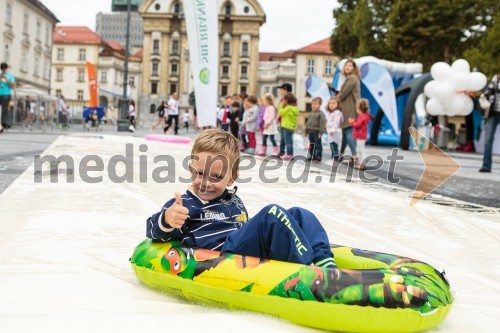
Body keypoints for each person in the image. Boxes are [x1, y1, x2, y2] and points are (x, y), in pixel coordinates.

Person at [146, 129, 337, 269]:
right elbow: (153, 230)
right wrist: (168, 219)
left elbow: (246, 231)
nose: (205, 183)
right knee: (271, 215)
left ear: (231, 178)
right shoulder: (184, 205)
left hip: (242, 248)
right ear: (190, 170)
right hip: (223, 257)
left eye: (216, 177)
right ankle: (309, 270)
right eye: (200, 173)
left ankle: (324, 260)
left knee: (298, 213)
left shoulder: (232, 201)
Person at [338, 59, 360, 163]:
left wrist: (334, 101)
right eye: (346, 65)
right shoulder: (351, 78)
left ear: (354, 68)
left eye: (350, 66)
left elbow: (343, 93)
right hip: (348, 107)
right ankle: (341, 154)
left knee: (348, 132)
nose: (347, 67)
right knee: (346, 132)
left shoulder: (352, 78)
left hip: (350, 108)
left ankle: (355, 156)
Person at [480, 74, 500, 172]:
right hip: (493, 113)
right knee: (488, 140)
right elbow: (488, 92)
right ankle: (486, 165)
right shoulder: (496, 78)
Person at [349, 99, 372, 170]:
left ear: (361, 109)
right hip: (362, 135)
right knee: (360, 149)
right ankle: (360, 163)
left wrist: (352, 122)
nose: (356, 111)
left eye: (357, 109)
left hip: (360, 135)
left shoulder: (362, 116)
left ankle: (362, 163)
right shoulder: (365, 116)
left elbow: (358, 125)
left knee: (360, 150)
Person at [278, 92, 299, 160]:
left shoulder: (288, 108)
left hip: (286, 126)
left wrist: (281, 104)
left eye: (284, 100)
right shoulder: (295, 108)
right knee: (290, 141)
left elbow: (281, 112)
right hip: (291, 127)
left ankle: (289, 154)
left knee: (287, 141)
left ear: (286, 100)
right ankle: (290, 154)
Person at [305, 97, 327, 162]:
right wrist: (306, 131)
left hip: (317, 132)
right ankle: (312, 156)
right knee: (311, 145)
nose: (313, 105)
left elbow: (322, 124)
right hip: (310, 132)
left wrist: (321, 132)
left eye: (315, 104)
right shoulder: (311, 113)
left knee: (318, 145)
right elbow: (308, 123)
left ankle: (319, 156)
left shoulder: (321, 114)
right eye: (312, 104)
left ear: (319, 105)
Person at [325, 97, 344, 167]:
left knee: (334, 147)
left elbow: (337, 122)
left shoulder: (337, 112)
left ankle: (335, 160)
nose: (331, 105)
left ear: (338, 104)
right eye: (330, 103)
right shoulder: (331, 113)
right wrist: (327, 124)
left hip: (335, 132)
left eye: (334, 103)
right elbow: (330, 121)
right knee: (332, 146)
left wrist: (333, 129)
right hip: (330, 132)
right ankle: (332, 159)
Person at [277, 83, 293, 156]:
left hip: (286, 121)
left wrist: (279, 118)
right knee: (282, 137)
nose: (280, 91)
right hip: (283, 120)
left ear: (285, 90)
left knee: (286, 138)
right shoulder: (283, 99)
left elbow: (284, 111)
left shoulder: (288, 100)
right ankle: (281, 151)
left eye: (281, 90)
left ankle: (288, 153)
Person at [0, 62, 16, 132]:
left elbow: (13, 86)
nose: (3, 70)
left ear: (6, 69)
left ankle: (3, 124)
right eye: (2, 69)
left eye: (4, 69)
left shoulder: (10, 75)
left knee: (4, 110)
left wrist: (6, 80)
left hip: (6, 94)